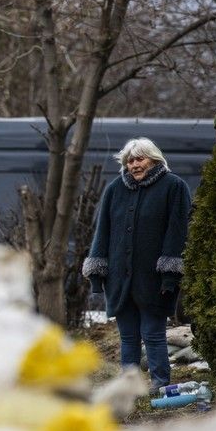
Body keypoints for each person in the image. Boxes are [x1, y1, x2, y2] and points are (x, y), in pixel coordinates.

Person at [82, 138, 192, 392]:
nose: (134, 165)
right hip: (120, 279)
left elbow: (178, 233)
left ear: (154, 159)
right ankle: (128, 386)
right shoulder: (114, 189)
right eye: (129, 161)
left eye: (139, 159)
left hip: (155, 278)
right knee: (128, 336)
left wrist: (170, 276)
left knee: (153, 333)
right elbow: (103, 233)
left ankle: (160, 382)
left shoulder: (174, 187)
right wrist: (98, 275)